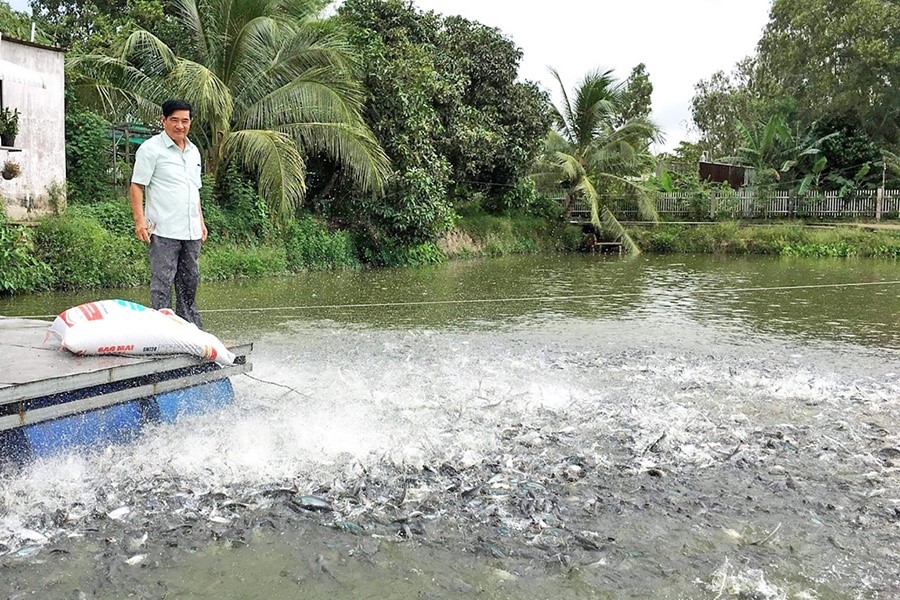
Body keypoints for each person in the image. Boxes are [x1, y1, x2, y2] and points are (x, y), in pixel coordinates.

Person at [130, 99, 207, 328]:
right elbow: (137, 185)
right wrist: (139, 222)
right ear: (164, 120)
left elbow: (194, 191)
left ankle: (190, 331)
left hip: (191, 230)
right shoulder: (151, 149)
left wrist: (201, 222)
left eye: (185, 120)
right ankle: (161, 331)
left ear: (190, 122)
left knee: (190, 280)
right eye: (174, 120)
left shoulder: (193, 152)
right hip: (163, 229)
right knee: (162, 281)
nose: (180, 126)